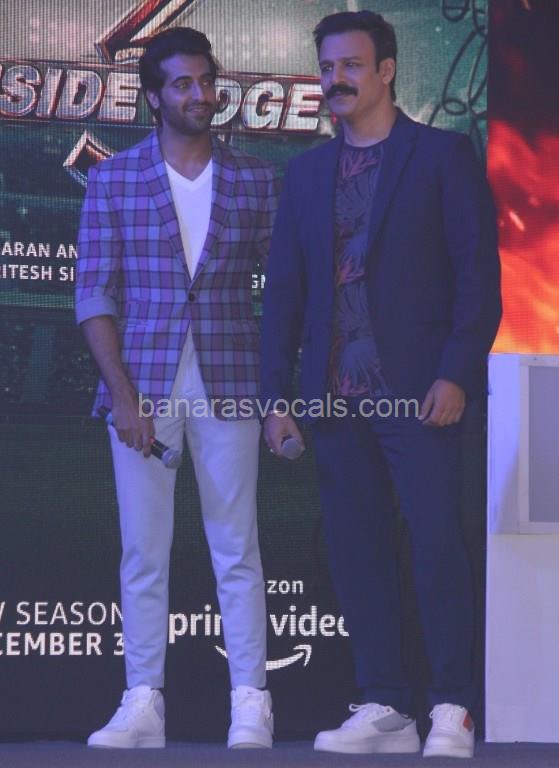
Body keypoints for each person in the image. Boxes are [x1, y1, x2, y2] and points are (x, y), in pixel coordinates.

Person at [261, 10, 501, 760]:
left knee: (435, 547)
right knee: (357, 554)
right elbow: (285, 294)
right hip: (332, 399)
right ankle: (386, 706)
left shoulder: (441, 155)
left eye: (351, 66)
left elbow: (477, 279)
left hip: (421, 397)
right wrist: (276, 398)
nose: (335, 79)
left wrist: (455, 373)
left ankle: (452, 707)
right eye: (328, 67)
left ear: (387, 70)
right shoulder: (305, 174)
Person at [76, 27, 278, 750]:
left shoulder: (255, 178)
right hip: (142, 386)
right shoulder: (114, 179)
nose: (200, 95)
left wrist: (278, 395)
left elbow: (285, 292)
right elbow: (93, 294)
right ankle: (142, 702)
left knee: (237, 545)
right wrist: (123, 397)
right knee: (143, 550)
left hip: (232, 378)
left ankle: (251, 701)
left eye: (206, 81)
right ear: (154, 97)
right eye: (184, 84)